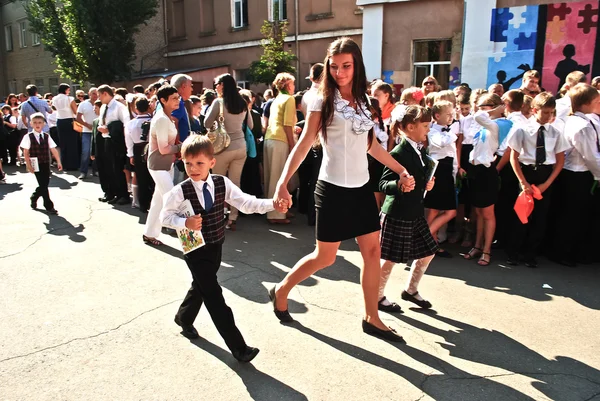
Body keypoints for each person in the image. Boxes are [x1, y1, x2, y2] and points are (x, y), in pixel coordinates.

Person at [269, 37, 415, 343]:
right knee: (325, 257)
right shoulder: (322, 100)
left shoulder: (364, 101)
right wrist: (282, 183)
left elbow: (371, 145)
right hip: (332, 188)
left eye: (346, 66)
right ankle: (281, 289)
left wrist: (401, 169)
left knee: (373, 252)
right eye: (334, 66)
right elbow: (306, 141)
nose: (340, 72)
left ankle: (371, 317)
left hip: (361, 189)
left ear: (356, 65)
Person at [160, 135, 288, 363]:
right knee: (213, 295)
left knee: (200, 286)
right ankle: (239, 348)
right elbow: (164, 216)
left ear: (212, 162)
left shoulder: (221, 183)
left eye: (199, 163)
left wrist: (272, 204)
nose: (193, 169)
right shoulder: (180, 191)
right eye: (188, 163)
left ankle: (184, 317)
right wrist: (184, 223)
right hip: (194, 249)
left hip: (216, 244)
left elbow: (247, 203)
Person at [378, 105, 437, 313]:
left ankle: (410, 290)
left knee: (428, 252)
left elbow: (420, 175)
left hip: (415, 212)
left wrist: (427, 183)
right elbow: (383, 183)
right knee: (390, 259)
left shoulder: (421, 148)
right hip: (398, 212)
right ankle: (377, 296)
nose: (428, 129)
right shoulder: (399, 152)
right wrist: (399, 185)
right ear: (411, 127)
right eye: (425, 125)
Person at [506, 92, 569, 267]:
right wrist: (523, 182)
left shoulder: (556, 132)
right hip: (526, 172)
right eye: (545, 112)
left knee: (540, 217)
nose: (549, 116)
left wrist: (547, 183)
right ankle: (513, 252)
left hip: (545, 175)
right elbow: (514, 157)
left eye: (551, 112)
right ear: (535, 110)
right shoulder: (522, 129)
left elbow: (560, 160)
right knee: (522, 215)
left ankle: (530, 254)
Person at [551, 84, 600, 267]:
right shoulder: (582, 126)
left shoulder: (579, 121)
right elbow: (591, 156)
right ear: (586, 103)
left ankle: (566, 250)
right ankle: (563, 252)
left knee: (571, 214)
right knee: (572, 215)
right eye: (596, 100)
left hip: (575, 173)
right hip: (577, 174)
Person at [463, 93, 512, 266]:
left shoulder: (496, 125)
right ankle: (477, 246)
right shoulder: (487, 125)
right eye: (482, 106)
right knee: (478, 212)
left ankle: (486, 250)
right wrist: (492, 109)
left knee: (488, 213)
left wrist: (496, 109)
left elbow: (477, 115)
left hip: (486, 171)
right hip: (475, 170)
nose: (483, 110)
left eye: (487, 107)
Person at [204, 73, 253, 231]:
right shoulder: (243, 103)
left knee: (217, 184)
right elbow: (250, 125)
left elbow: (206, 122)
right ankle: (233, 217)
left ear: (223, 85)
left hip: (222, 148)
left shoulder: (218, 102)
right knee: (235, 184)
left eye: (217, 83)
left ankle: (217, 217)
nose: (215, 86)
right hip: (240, 147)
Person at [143, 85, 182, 246]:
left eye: (178, 97)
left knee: (158, 202)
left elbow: (169, 145)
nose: (177, 100)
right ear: (163, 100)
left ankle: (149, 234)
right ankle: (190, 239)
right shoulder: (161, 119)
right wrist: (182, 147)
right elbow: (164, 148)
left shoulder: (167, 117)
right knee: (173, 200)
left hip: (166, 165)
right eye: (174, 98)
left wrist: (180, 145)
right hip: (158, 165)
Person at [494, 90, 528, 249]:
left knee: (504, 202)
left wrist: (498, 168)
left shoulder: (515, 122)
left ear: (506, 104)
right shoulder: (524, 120)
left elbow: (509, 149)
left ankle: (502, 238)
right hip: (512, 163)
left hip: (507, 164)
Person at [425, 100, 458, 258]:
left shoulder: (448, 130)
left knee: (442, 209)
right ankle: (427, 241)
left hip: (447, 170)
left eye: (453, 114)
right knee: (438, 209)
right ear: (437, 116)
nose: (451, 117)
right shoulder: (433, 131)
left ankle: (429, 242)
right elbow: (441, 142)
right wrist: (453, 132)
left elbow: (453, 154)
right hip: (439, 170)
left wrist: (456, 171)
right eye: (448, 114)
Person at [263, 73, 297, 225]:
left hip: (270, 138)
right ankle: (276, 214)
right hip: (280, 140)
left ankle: (278, 210)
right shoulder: (289, 99)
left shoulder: (276, 99)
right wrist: (292, 144)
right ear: (288, 85)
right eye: (293, 84)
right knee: (278, 177)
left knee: (271, 176)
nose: (294, 87)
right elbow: (287, 124)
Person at [20, 113, 63, 214]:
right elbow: (26, 152)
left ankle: (34, 197)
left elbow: (53, 149)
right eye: (35, 123)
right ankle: (49, 206)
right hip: (35, 163)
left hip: (45, 162)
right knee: (43, 185)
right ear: (31, 124)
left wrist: (58, 161)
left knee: (44, 183)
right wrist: (28, 164)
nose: (37, 124)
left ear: (44, 124)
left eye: (39, 122)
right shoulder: (28, 136)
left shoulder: (47, 136)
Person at [97, 85, 131, 205]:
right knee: (109, 169)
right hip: (106, 140)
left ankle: (124, 194)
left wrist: (110, 130)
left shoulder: (119, 107)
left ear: (105, 93)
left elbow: (126, 125)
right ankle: (114, 193)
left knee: (118, 168)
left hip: (117, 142)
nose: (99, 98)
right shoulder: (103, 107)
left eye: (100, 95)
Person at [125, 97, 154, 213]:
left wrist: (131, 155)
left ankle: (143, 204)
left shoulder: (130, 124)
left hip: (137, 149)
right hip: (152, 148)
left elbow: (128, 141)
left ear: (136, 108)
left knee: (141, 177)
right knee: (153, 176)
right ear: (148, 107)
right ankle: (153, 202)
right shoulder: (154, 120)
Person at [52, 83, 79, 171]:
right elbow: (75, 111)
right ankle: (73, 164)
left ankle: (64, 163)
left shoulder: (54, 98)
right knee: (72, 143)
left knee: (63, 143)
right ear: (65, 90)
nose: (69, 91)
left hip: (60, 121)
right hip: (69, 120)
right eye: (68, 89)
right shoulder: (69, 98)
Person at [76, 87, 99, 179]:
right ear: (89, 94)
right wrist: (87, 125)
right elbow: (78, 118)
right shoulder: (83, 104)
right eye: (93, 93)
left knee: (97, 151)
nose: (95, 95)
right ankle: (83, 171)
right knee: (86, 151)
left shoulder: (101, 104)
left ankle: (96, 170)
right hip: (87, 131)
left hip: (98, 131)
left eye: (97, 93)